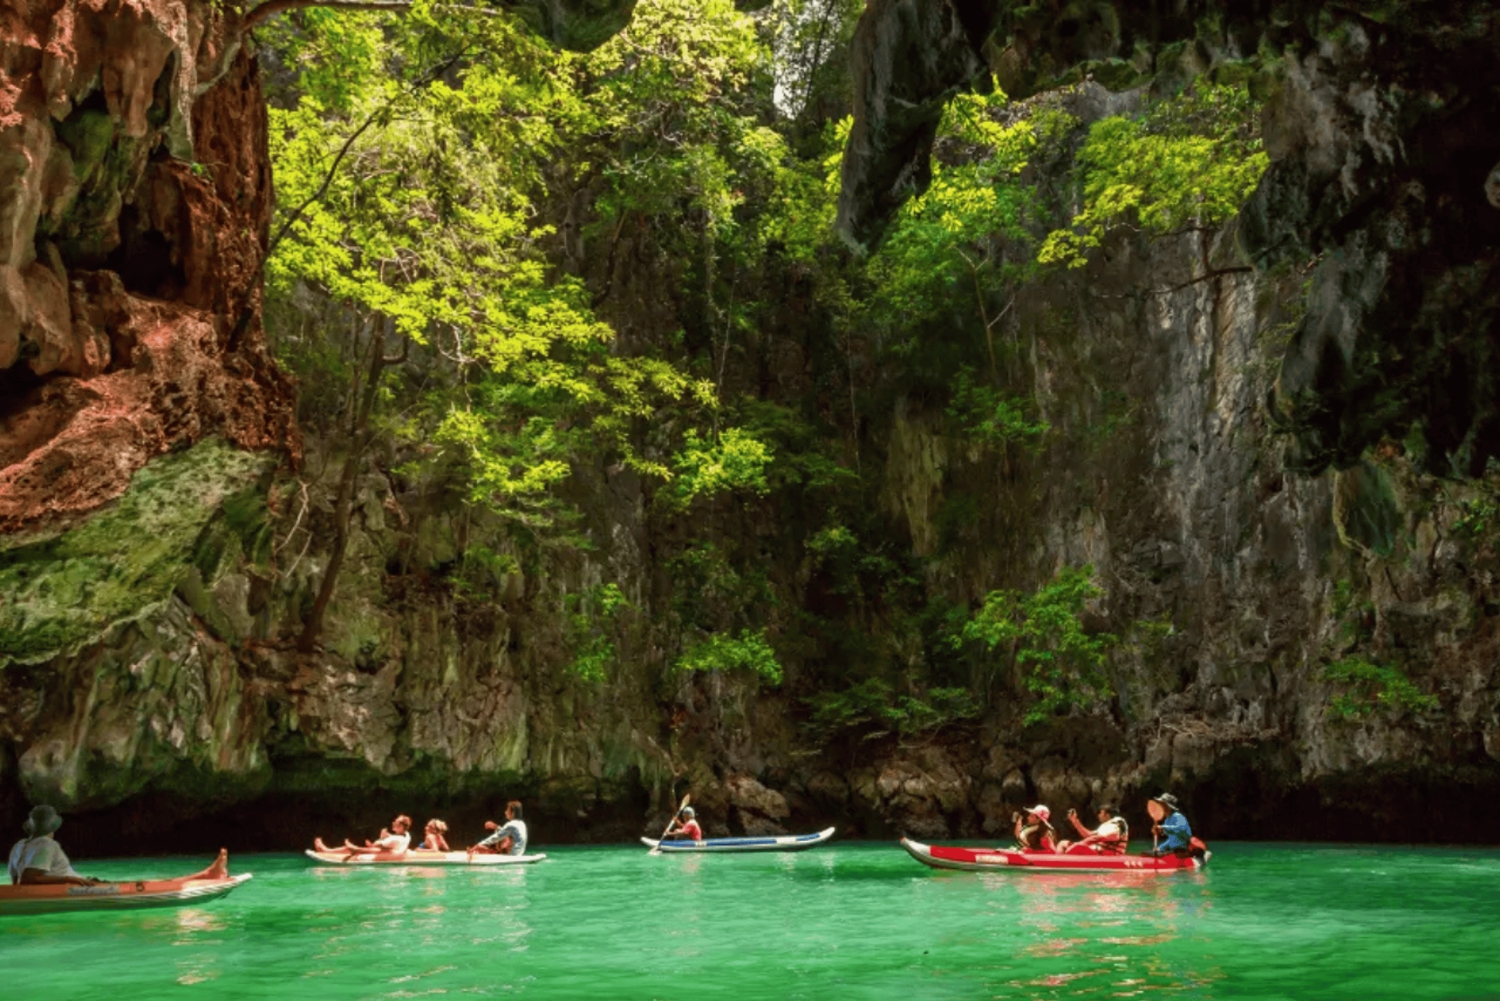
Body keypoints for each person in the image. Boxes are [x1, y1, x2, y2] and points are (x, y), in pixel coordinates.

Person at [9, 804, 229, 885]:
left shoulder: (19, 846)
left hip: (74, 886)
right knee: (144, 885)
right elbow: (29, 879)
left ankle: (206, 875)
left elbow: (16, 881)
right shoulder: (48, 845)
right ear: (52, 827)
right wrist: (69, 879)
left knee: (138, 883)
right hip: (75, 889)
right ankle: (207, 875)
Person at [314, 815, 412, 858]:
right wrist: (388, 836)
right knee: (370, 848)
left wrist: (382, 837)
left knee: (349, 849)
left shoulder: (394, 839)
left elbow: (377, 845)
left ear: (401, 826)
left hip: (385, 854)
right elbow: (395, 841)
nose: (393, 822)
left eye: (396, 821)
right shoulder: (407, 835)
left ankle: (327, 851)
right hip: (390, 851)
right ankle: (329, 850)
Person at [1057, 804, 1129, 854]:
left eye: (1100, 813)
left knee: (1078, 847)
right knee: (1063, 843)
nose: (1098, 815)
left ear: (1107, 815)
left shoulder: (1118, 824)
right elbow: (1087, 835)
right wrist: (1074, 820)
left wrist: (1081, 843)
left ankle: (1065, 858)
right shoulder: (1107, 825)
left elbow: (1100, 837)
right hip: (1097, 850)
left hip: (1108, 854)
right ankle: (1059, 861)